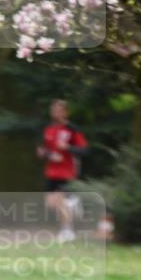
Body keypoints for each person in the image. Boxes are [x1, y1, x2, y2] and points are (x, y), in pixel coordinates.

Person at [36, 99, 88, 243]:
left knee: (61, 202)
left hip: (67, 171)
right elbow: (41, 149)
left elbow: (84, 150)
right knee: (51, 204)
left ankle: (67, 231)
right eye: (53, 110)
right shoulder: (49, 129)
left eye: (58, 110)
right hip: (51, 171)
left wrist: (68, 148)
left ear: (66, 112)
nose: (55, 113)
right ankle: (74, 202)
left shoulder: (72, 129)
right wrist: (48, 154)